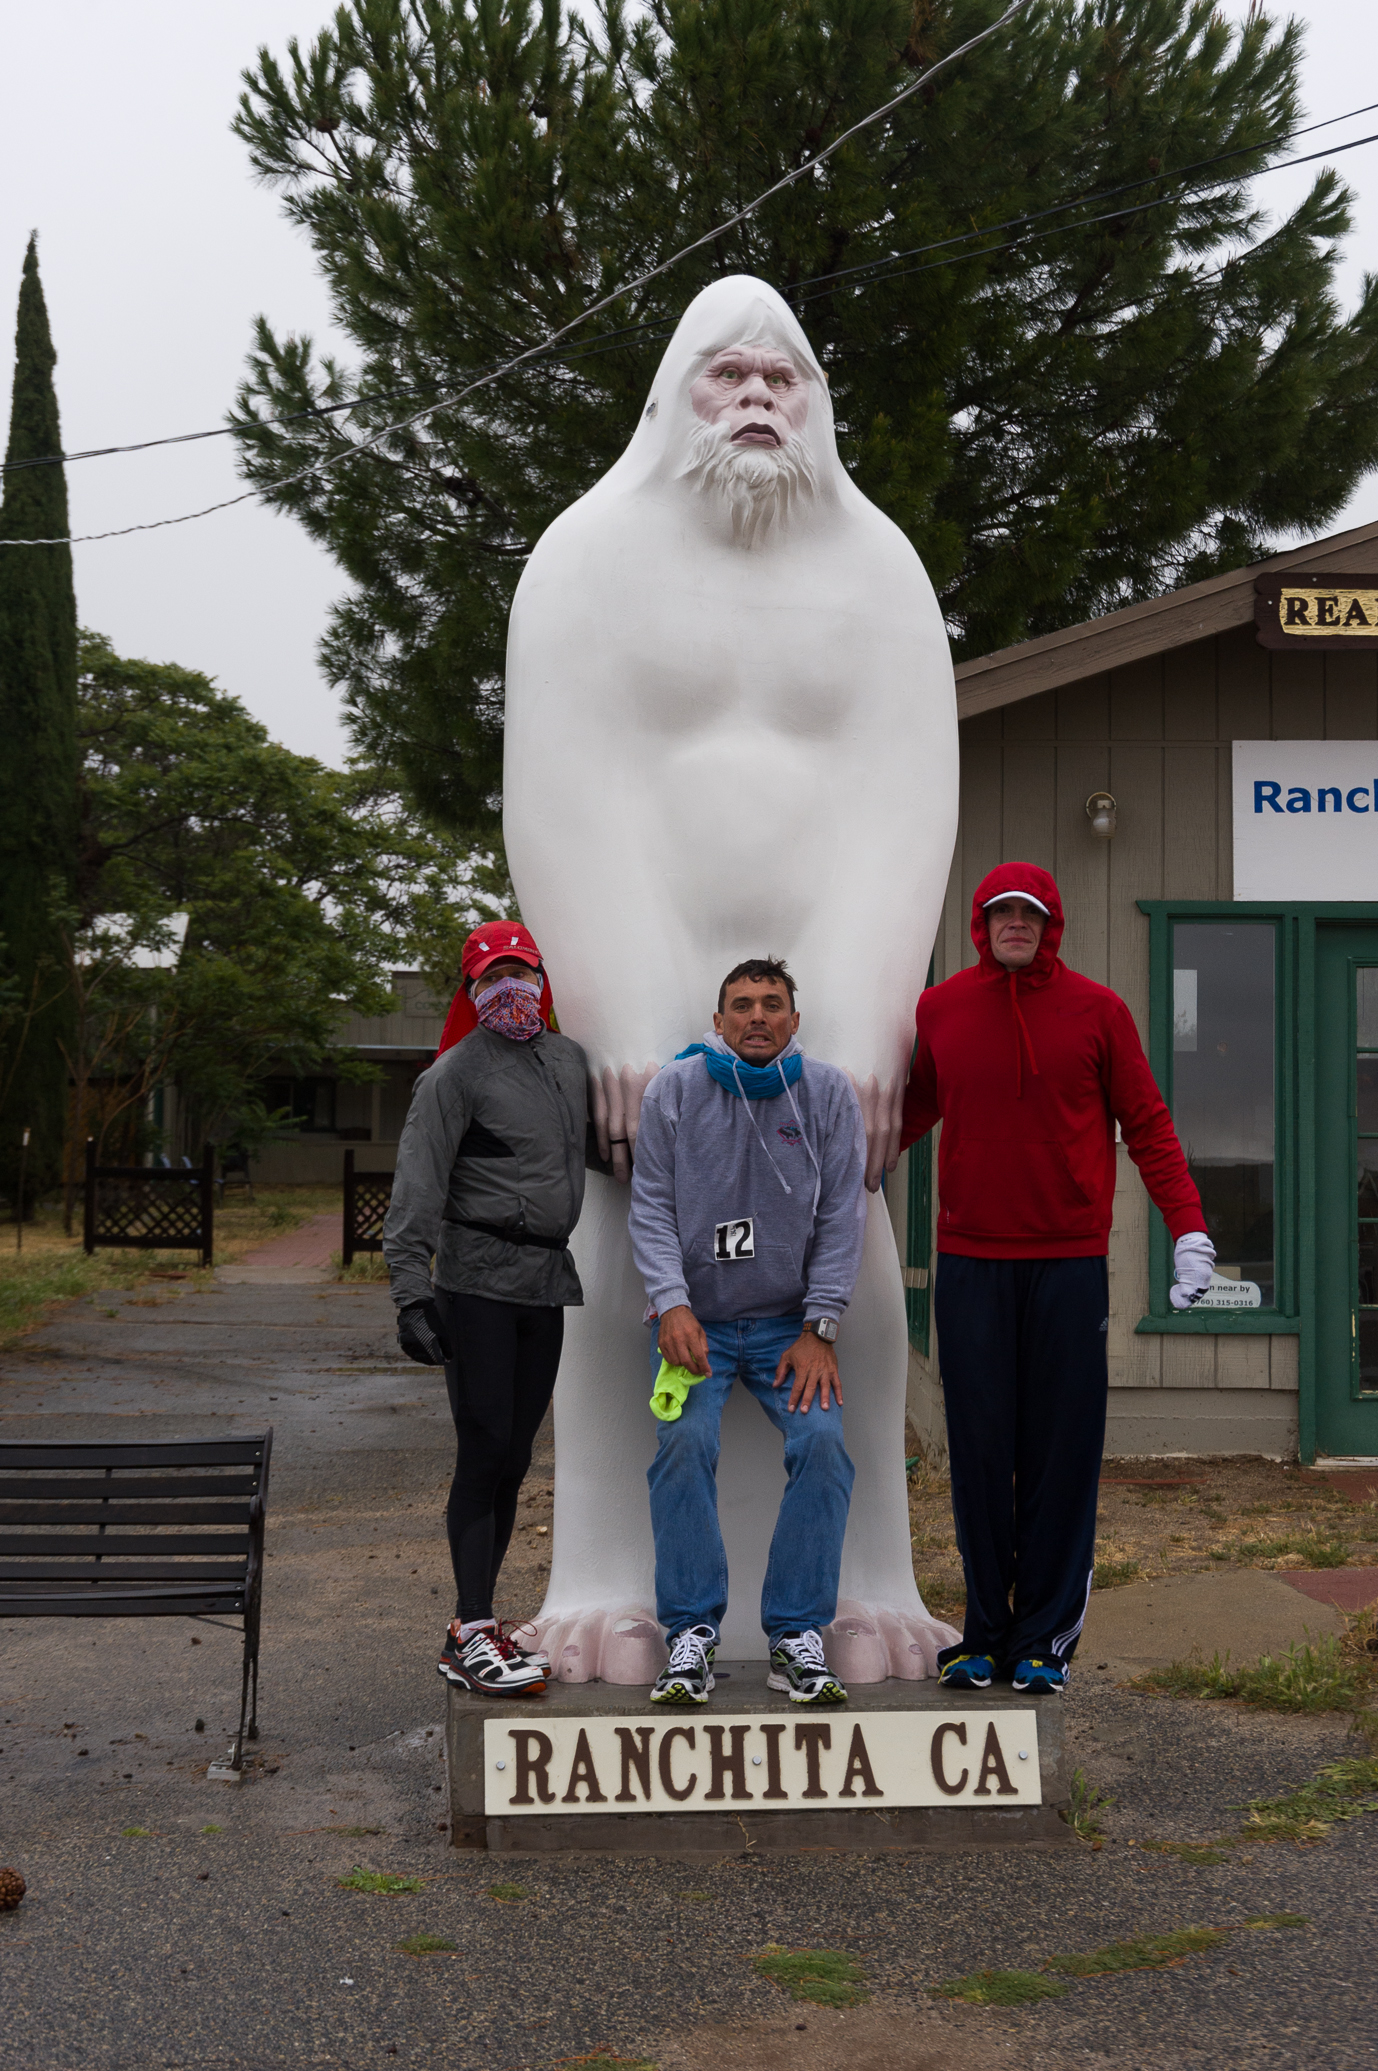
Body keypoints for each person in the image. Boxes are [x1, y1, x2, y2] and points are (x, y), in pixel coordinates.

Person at [900, 863, 1214, 1696]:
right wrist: (823, 1174)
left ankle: (1044, 1640)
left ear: (1052, 924)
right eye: (1001, 912)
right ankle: (983, 1635)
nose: (1015, 924)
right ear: (980, 923)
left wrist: (1188, 1228)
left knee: (1059, 1456)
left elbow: (1145, 1122)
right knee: (977, 1455)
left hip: (1068, 1263)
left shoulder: (1098, 1012)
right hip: (970, 1261)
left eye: (1029, 914)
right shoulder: (939, 1008)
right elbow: (909, 1109)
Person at [628, 957, 867, 1705]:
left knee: (824, 1446)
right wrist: (670, 1303)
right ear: (719, 1018)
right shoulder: (673, 1089)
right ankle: (690, 1633)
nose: (757, 1016)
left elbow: (841, 1217)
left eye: (772, 1004)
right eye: (742, 1005)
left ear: (795, 1020)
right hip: (695, 1327)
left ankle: (796, 1633)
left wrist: (821, 1324)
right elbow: (651, 1205)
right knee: (684, 1444)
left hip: (788, 1330)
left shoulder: (827, 1092)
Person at [383, 922, 591, 1699]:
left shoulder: (568, 1060)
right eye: (492, 976)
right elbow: (415, 1190)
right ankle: (469, 1627)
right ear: (471, 989)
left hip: (547, 1281)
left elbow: (595, 1147)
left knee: (516, 1457)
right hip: (474, 1282)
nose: (510, 988)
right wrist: (410, 1294)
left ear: (543, 978)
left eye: (522, 972)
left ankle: (481, 1621)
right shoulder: (452, 1075)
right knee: (483, 1446)